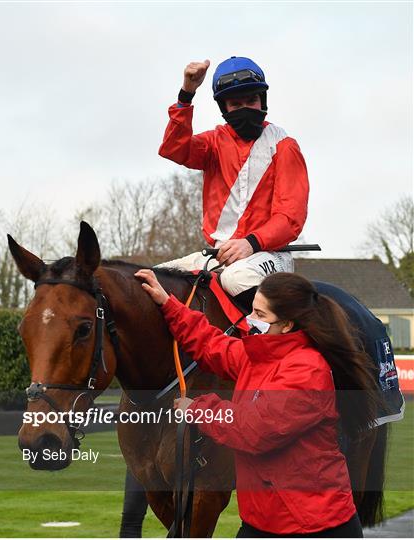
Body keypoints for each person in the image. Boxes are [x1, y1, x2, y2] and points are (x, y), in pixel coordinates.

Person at [134, 268, 382, 537]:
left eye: (260, 315)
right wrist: (169, 304)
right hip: (264, 519)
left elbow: (254, 430)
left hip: (312, 526)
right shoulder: (261, 354)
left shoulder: (308, 370)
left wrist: (197, 409)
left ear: (287, 324)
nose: (250, 320)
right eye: (252, 310)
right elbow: (213, 345)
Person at [157, 57, 309, 304]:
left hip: (270, 253)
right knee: (153, 278)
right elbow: (174, 148)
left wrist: (251, 243)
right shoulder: (214, 143)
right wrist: (187, 94)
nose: (245, 108)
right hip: (220, 253)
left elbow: (290, 217)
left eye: (251, 100)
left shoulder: (285, 146)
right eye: (235, 104)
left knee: (236, 277)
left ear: (262, 100)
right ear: (224, 108)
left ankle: (282, 338)